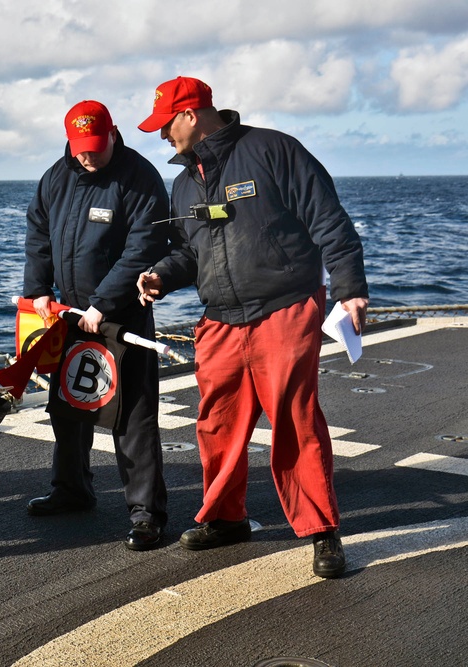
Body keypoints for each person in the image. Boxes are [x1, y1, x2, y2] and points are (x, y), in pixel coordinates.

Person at [136, 76, 369, 578]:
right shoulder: (183, 184)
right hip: (220, 320)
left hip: (284, 308)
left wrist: (350, 288)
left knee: (293, 419)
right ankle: (226, 518)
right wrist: (160, 275)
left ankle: (322, 532)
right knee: (215, 424)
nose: (161, 137)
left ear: (191, 115)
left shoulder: (275, 151)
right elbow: (188, 253)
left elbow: (330, 222)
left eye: (165, 125)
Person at [23, 100, 172, 551]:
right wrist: (38, 290)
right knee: (67, 406)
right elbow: (39, 234)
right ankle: (71, 488)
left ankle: (147, 513)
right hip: (68, 316)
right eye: (80, 147)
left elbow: (144, 246)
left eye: (95, 147)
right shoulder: (56, 176)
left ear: (113, 133)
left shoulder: (140, 179)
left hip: (121, 318)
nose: (88, 156)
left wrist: (103, 304)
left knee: (133, 417)